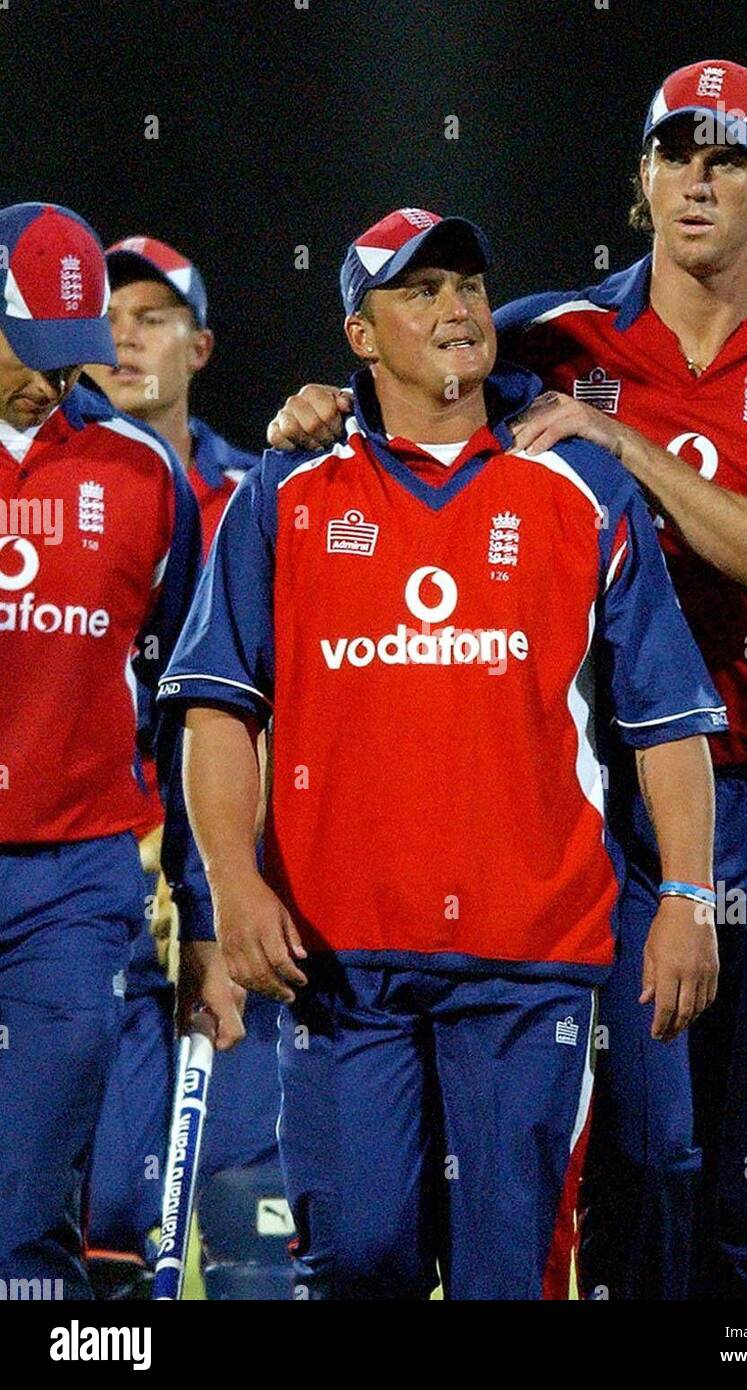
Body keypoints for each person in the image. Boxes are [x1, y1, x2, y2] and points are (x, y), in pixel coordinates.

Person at [263, 62, 747, 1301]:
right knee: (635, 1164)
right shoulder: (554, 338)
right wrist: (321, 409)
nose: (696, 179)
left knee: (744, 1197)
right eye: (674, 154)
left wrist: (624, 444)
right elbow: (413, 392)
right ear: (642, 180)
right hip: (608, 814)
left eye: (726, 157)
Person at [159, 207, 725, 1300]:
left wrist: (689, 894)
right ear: (358, 337)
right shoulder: (284, 495)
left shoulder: (581, 489)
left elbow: (665, 721)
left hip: (530, 958)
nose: (455, 307)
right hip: (340, 958)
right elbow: (219, 709)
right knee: (357, 1257)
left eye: (465, 283)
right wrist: (232, 883)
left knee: (502, 1276)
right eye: (416, 292)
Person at [0, 202, 202, 1299]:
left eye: (71, 357)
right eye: (31, 353)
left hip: (74, 891)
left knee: (27, 1217)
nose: (54, 381)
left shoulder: (141, 478)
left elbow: (184, 709)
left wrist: (201, 908)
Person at [85, 236, 291, 1300]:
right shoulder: (41, 493)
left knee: (251, 1219)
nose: (125, 331)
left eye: (155, 315)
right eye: (108, 310)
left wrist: (219, 869)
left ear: (201, 345)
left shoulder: (262, 500)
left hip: (234, 899)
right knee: (103, 1226)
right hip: (94, 896)